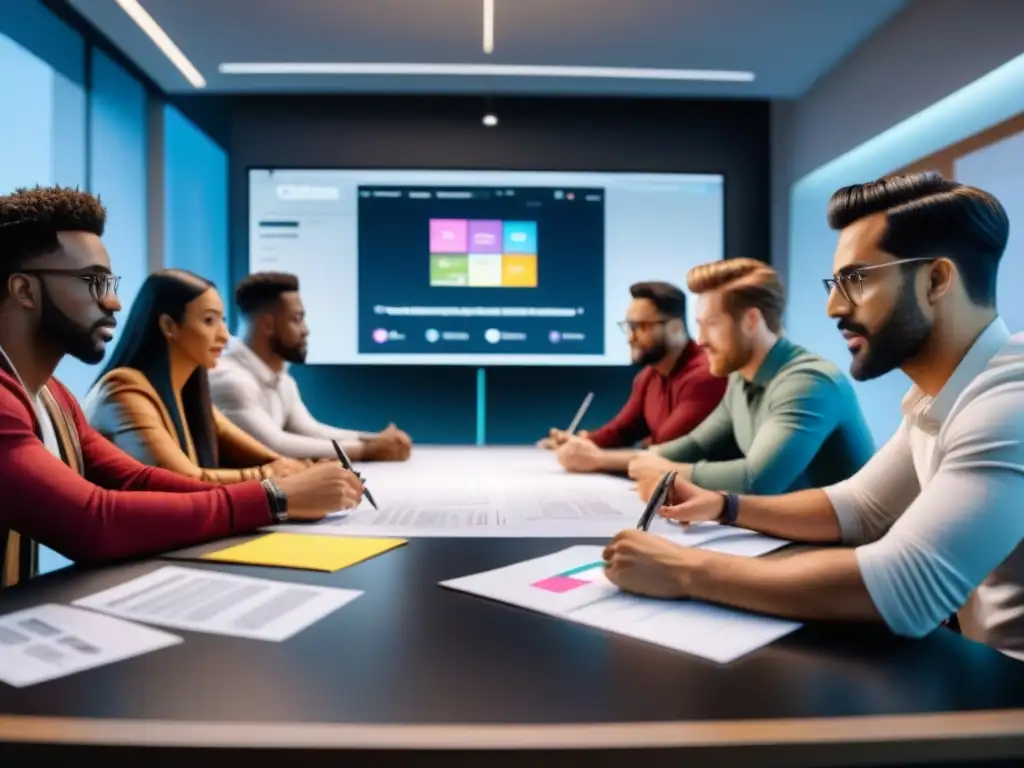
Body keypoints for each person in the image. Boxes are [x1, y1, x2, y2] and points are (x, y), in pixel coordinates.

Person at [602, 173, 1024, 659]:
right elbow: (861, 507)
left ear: (935, 280)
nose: (832, 306)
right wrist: (724, 505)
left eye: (855, 281)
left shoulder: (1007, 403)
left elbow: (907, 585)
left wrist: (682, 570)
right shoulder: (939, 397)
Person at [0, 186, 363, 586]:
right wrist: (274, 497)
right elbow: (94, 521)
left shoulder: (54, 396)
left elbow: (138, 479)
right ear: (24, 290)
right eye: (94, 282)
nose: (114, 302)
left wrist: (278, 487)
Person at [626, 259, 874, 497]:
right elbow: (697, 444)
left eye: (711, 324)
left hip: (841, 540)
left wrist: (665, 472)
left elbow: (756, 481)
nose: (700, 340)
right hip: (784, 531)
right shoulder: (740, 376)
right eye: (699, 325)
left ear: (750, 321)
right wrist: (646, 459)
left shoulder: (808, 383)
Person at [85, 270, 306, 483]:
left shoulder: (189, 393)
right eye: (209, 321)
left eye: (223, 321)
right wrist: (271, 474)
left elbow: (268, 458)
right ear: (169, 326)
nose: (224, 335)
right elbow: (183, 481)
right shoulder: (124, 389)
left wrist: (301, 470)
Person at [208, 272, 411, 462]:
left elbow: (308, 430)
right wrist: (366, 451)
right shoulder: (231, 381)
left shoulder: (281, 380)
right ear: (268, 325)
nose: (305, 330)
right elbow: (275, 446)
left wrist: (375, 440)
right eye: (297, 319)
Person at [548, 281, 726, 474]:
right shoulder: (648, 376)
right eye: (628, 326)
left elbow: (669, 450)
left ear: (675, 327)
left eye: (640, 326)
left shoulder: (705, 376)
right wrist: (581, 441)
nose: (630, 338)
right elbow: (620, 432)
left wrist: (597, 459)